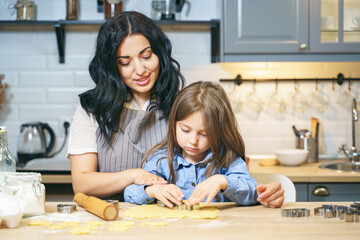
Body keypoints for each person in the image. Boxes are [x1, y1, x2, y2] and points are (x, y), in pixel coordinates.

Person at [67, 11, 284, 207]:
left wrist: (263, 192)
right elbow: (82, 183)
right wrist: (136, 177)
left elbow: (229, 163)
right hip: (111, 217)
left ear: (159, 54)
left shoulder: (183, 103)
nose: (140, 69)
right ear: (111, 67)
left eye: (146, 56)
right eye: (125, 62)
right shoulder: (91, 108)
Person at [124, 81, 258, 207]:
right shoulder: (161, 160)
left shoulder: (227, 160)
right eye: (185, 130)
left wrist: (223, 181)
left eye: (204, 134)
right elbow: (130, 193)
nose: (193, 140)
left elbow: (253, 192)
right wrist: (152, 190)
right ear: (173, 125)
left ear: (219, 131)